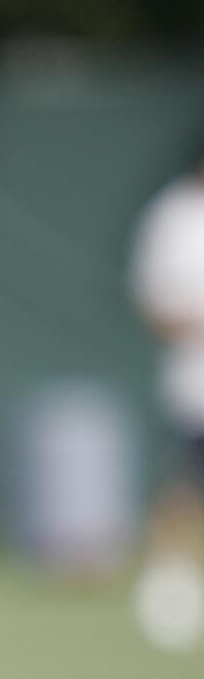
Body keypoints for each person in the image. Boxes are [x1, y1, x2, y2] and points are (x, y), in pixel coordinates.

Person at [129, 139, 204, 652]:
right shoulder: (174, 217)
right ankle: (169, 589)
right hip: (194, 384)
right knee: (186, 487)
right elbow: (155, 301)